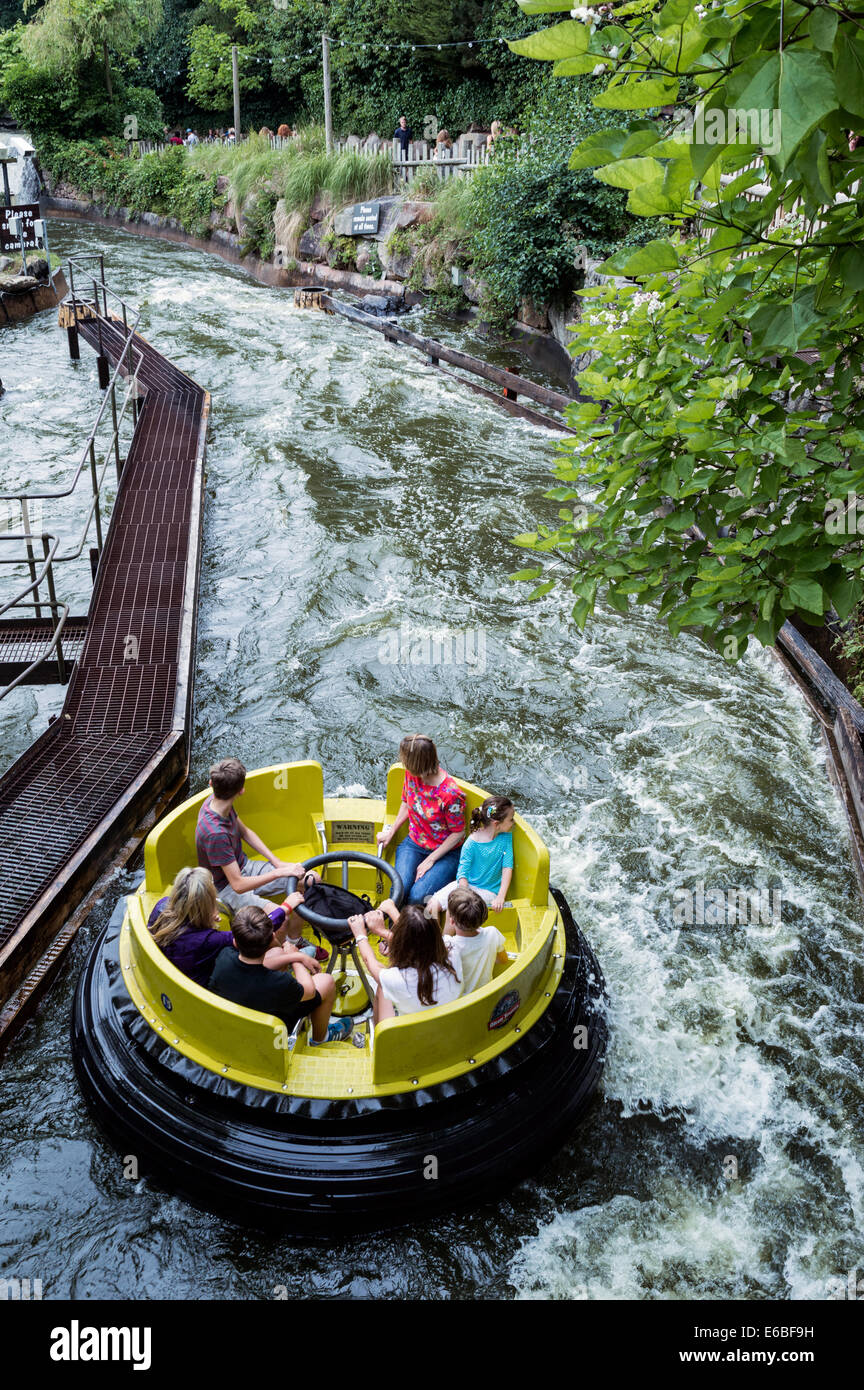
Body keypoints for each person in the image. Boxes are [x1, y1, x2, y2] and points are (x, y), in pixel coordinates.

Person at [195, 756, 326, 958]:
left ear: (212, 784)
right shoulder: (216, 834)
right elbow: (237, 885)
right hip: (226, 888)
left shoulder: (217, 803)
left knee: (309, 880)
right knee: (279, 919)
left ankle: (294, 942)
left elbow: (245, 832)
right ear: (241, 790)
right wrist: (279, 873)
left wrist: (277, 863)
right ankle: (282, 960)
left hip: (244, 868)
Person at [210, 906, 353, 1043]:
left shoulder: (224, 956)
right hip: (272, 1028)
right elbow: (309, 991)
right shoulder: (280, 982)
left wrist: (294, 957)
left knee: (277, 953)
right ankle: (321, 1038)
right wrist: (296, 957)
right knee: (326, 981)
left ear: (235, 942)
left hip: (236, 1018)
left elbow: (257, 965)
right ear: (272, 938)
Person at [377, 735, 465, 905]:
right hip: (415, 842)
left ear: (417, 763)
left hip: (445, 852)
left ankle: (414, 929)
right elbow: (406, 802)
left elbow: (458, 832)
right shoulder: (411, 776)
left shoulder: (450, 793)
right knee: (399, 889)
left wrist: (430, 859)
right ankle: (394, 928)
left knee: (417, 896)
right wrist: (391, 831)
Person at [348, 905, 461, 1022]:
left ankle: (374, 1033)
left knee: (382, 988)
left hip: (410, 1037)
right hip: (449, 1029)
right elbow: (420, 940)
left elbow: (369, 961)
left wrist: (360, 934)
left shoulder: (397, 980)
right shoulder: (453, 949)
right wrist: (383, 932)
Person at [424, 795, 515, 918]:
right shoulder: (471, 843)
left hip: (488, 891)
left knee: (455, 911)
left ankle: (446, 937)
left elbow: (507, 867)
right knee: (431, 906)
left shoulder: (506, 839)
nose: (513, 823)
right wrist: (464, 893)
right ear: (496, 824)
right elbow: (463, 873)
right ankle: (435, 935)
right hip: (466, 885)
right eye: (511, 819)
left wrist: (501, 897)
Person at [442, 886, 509, 996]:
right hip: (485, 995)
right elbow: (503, 960)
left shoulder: (449, 944)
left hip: (461, 1001)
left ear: (452, 921)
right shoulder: (492, 933)